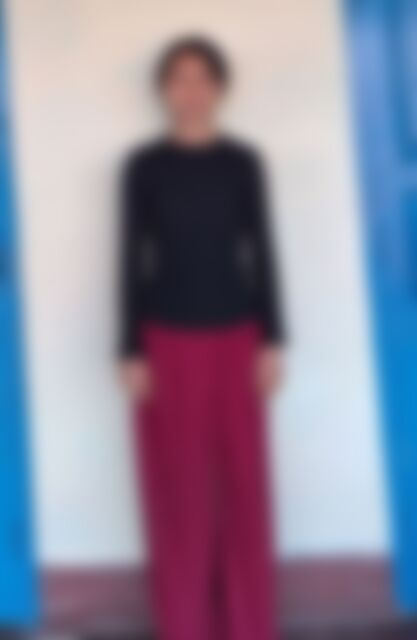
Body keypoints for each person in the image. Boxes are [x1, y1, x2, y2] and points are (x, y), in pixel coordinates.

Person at [118, 35, 286, 640]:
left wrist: (273, 340)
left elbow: (262, 251)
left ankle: (249, 623)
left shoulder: (243, 163)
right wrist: (129, 349)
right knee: (178, 491)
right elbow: (130, 259)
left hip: (238, 338)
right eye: (178, 79)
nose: (190, 90)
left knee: (244, 485)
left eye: (201, 78)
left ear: (219, 88)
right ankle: (184, 624)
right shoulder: (143, 167)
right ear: (164, 91)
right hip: (165, 342)